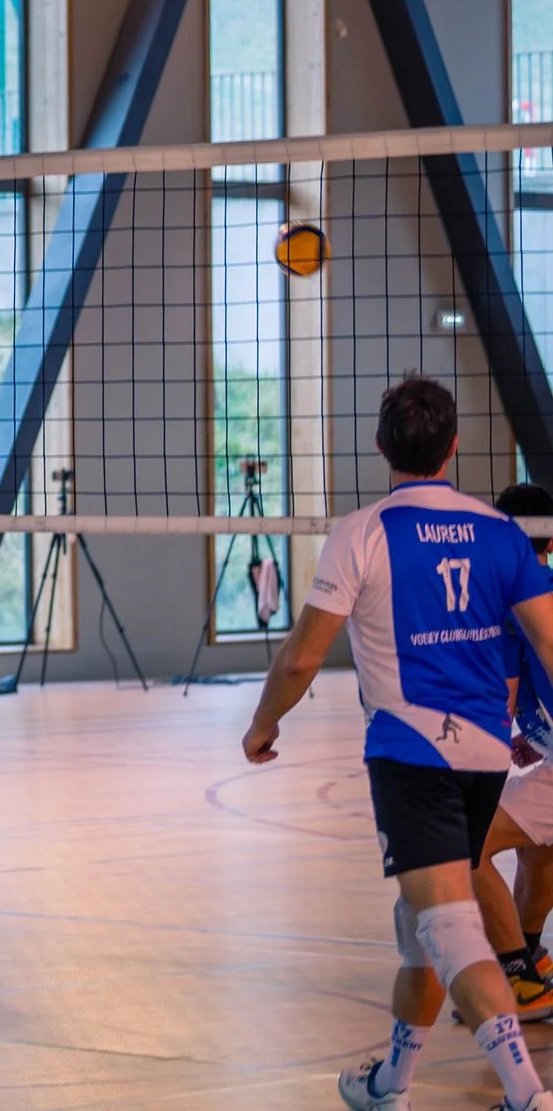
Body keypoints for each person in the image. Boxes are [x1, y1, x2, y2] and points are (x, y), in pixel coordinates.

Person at [241, 377, 553, 1111]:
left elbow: (300, 657)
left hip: (413, 757)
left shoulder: (362, 533)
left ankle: (526, 1094)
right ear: (454, 446)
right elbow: (548, 640)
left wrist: (263, 726)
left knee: (447, 927)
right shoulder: (501, 532)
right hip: (483, 756)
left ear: (381, 448)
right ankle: (391, 1084)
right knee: (418, 927)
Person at [464, 481, 553, 1020]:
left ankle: (519, 976)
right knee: (539, 846)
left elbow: (503, 701)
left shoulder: (513, 599)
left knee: (463, 845)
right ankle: (530, 959)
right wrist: (536, 737)